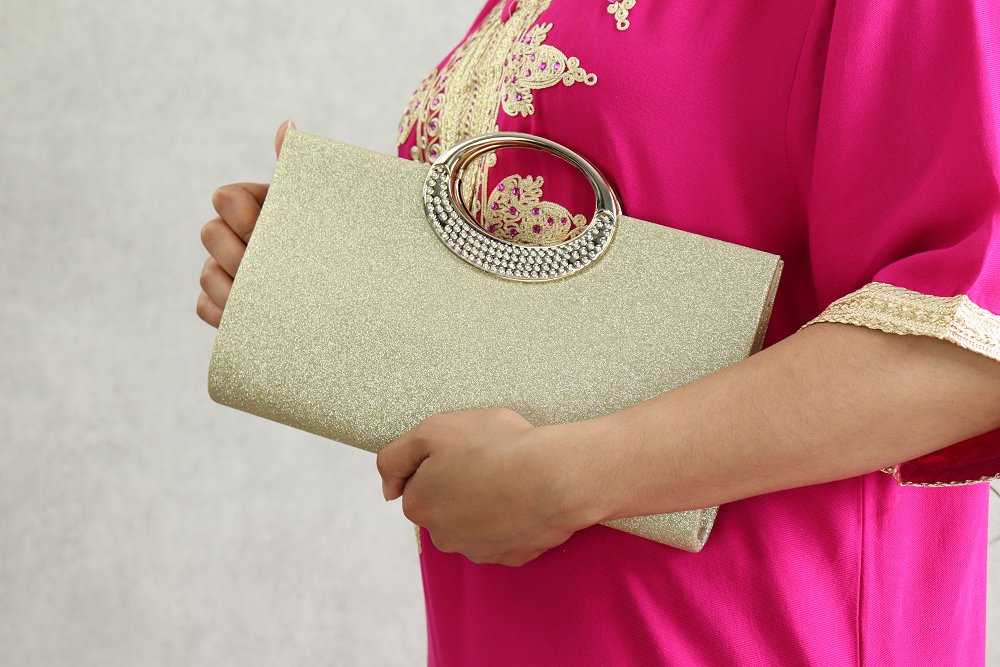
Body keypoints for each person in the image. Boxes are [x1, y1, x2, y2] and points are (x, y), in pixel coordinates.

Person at [198, 0, 1000, 663]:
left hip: (748, 633)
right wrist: (319, 283)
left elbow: (973, 350)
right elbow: (554, 304)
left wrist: (565, 481)